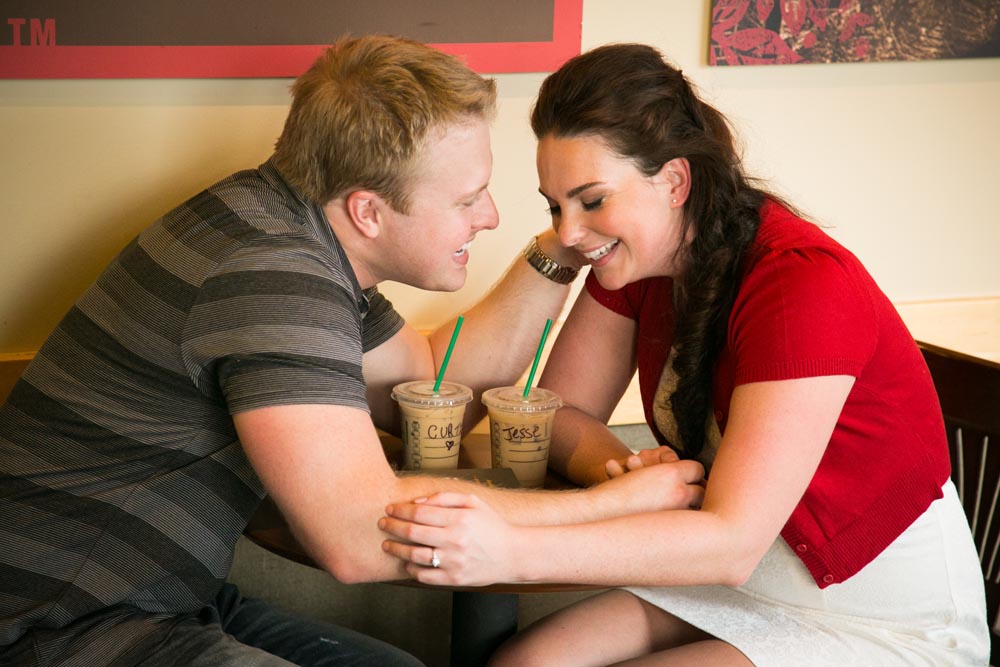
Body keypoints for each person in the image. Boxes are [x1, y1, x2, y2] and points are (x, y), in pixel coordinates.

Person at [0, 36, 705, 667]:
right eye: (469, 198)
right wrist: (615, 507)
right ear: (369, 210)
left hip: (156, 594)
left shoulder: (283, 228)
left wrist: (566, 243)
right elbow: (359, 536)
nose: (489, 216)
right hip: (59, 623)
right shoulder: (272, 278)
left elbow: (429, 376)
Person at [377, 43, 990, 665]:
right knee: (525, 663)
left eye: (591, 200)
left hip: (876, 616)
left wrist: (512, 549)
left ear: (674, 181)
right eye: (555, 206)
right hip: (735, 580)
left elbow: (731, 543)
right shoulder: (639, 265)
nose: (566, 232)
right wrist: (623, 477)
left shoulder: (803, 284)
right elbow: (557, 413)